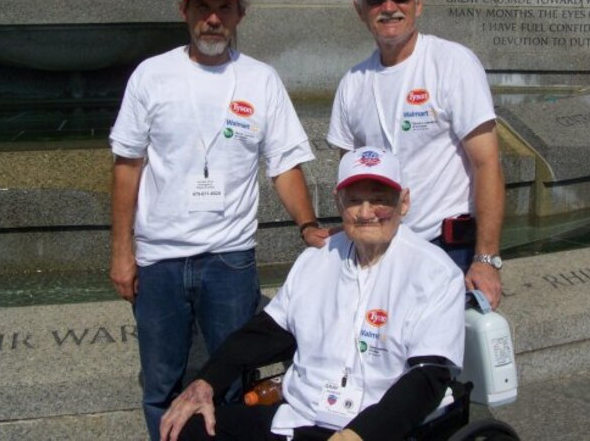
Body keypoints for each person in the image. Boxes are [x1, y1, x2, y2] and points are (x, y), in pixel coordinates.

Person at [109, 0, 329, 439]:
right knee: (161, 383)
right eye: (202, 6)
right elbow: (127, 167)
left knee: (229, 381)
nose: (213, 17)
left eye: (223, 8)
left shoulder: (261, 79)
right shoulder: (151, 75)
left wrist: (307, 225)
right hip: (159, 259)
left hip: (229, 261)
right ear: (184, 12)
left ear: (239, 14)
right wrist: (122, 252)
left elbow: (285, 165)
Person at [159, 147, 466, 441]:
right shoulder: (316, 260)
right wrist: (206, 382)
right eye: (354, 200)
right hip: (302, 417)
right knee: (189, 429)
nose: (366, 212)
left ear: (404, 202)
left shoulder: (435, 272)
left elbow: (428, 377)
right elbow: (267, 332)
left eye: (379, 200)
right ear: (338, 203)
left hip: (380, 426)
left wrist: (357, 436)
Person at [326, 0, 505, 309]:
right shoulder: (352, 83)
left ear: (418, 5)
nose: (389, 7)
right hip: (380, 248)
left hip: (447, 249)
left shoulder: (453, 63)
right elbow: (350, 177)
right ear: (360, 10)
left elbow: (488, 164)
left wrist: (486, 259)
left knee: (441, 361)